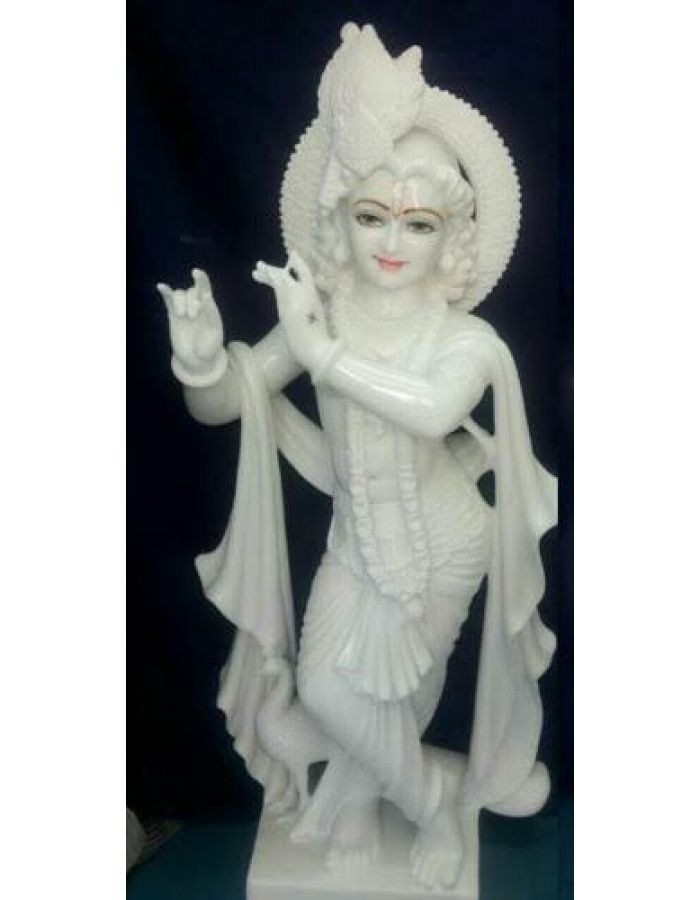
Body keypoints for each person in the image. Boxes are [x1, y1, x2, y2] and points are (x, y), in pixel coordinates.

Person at [157, 23, 557, 890]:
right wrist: (201, 363)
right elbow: (231, 402)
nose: (391, 241)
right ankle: (427, 800)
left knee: (402, 700)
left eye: (418, 223)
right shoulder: (323, 315)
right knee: (324, 693)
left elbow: (434, 411)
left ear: (450, 236)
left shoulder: (466, 341)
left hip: (447, 539)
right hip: (355, 542)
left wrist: (324, 355)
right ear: (340, 218)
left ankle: (386, 804)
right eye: (372, 216)